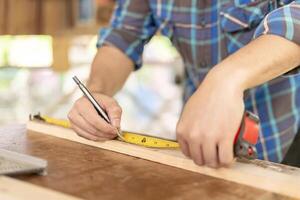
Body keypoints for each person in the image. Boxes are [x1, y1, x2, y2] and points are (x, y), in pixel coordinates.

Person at [68, 0, 300, 168]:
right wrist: (97, 90)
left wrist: (225, 80)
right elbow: (123, 35)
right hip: (201, 143)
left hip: (288, 139)